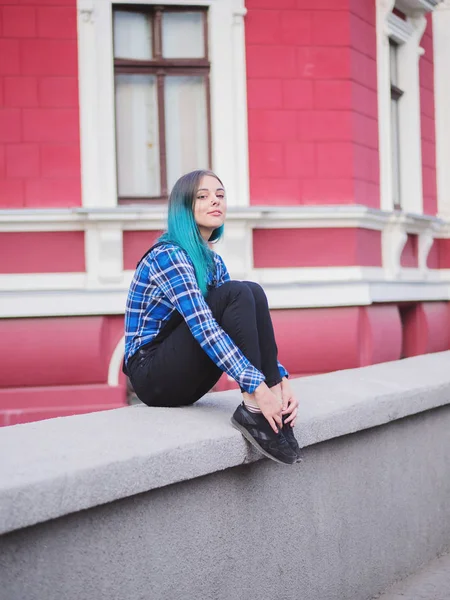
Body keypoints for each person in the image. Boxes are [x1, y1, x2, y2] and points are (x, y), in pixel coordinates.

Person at [123, 170, 301, 465]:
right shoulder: (169, 255)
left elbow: (239, 323)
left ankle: (272, 402)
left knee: (250, 292)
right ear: (184, 208)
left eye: (220, 195)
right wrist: (255, 387)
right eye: (203, 197)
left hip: (185, 377)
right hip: (151, 374)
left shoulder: (213, 262)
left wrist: (279, 380)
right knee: (234, 293)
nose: (215, 202)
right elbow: (203, 326)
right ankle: (254, 409)